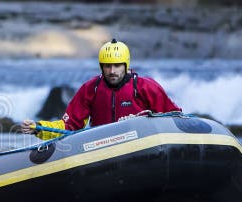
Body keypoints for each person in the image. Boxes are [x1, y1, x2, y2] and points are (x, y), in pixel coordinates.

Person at [21, 38, 181, 138]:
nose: (112, 71)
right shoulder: (90, 89)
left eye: (117, 66)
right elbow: (67, 126)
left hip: (142, 150)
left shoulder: (146, 87)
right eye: (107, 66)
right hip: (101, 152)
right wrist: (38, 128)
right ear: (101, 66)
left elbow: (175, 118)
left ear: (126, 65)